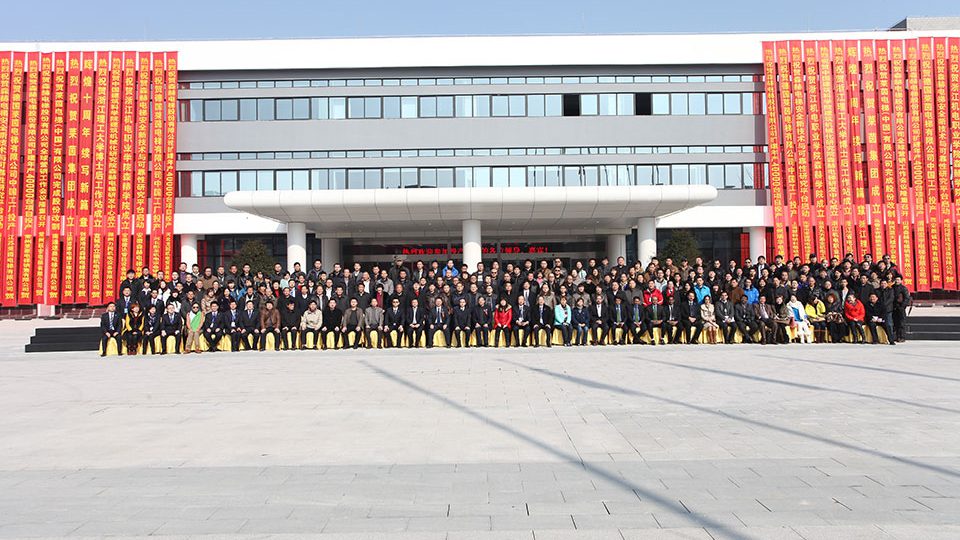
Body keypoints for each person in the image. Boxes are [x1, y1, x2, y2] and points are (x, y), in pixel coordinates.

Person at [891, 276, 911, 342]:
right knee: (895, 323)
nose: (897, 281)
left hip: (901, 307)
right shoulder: (892, 287)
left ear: (901, 281)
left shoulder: (903, 288)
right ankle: (897, 336)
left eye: (898, 280)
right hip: (894, 307)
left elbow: (907, 298)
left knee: (901, 323)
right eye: (896, 279)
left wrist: (902, 306)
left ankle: (902, 337)